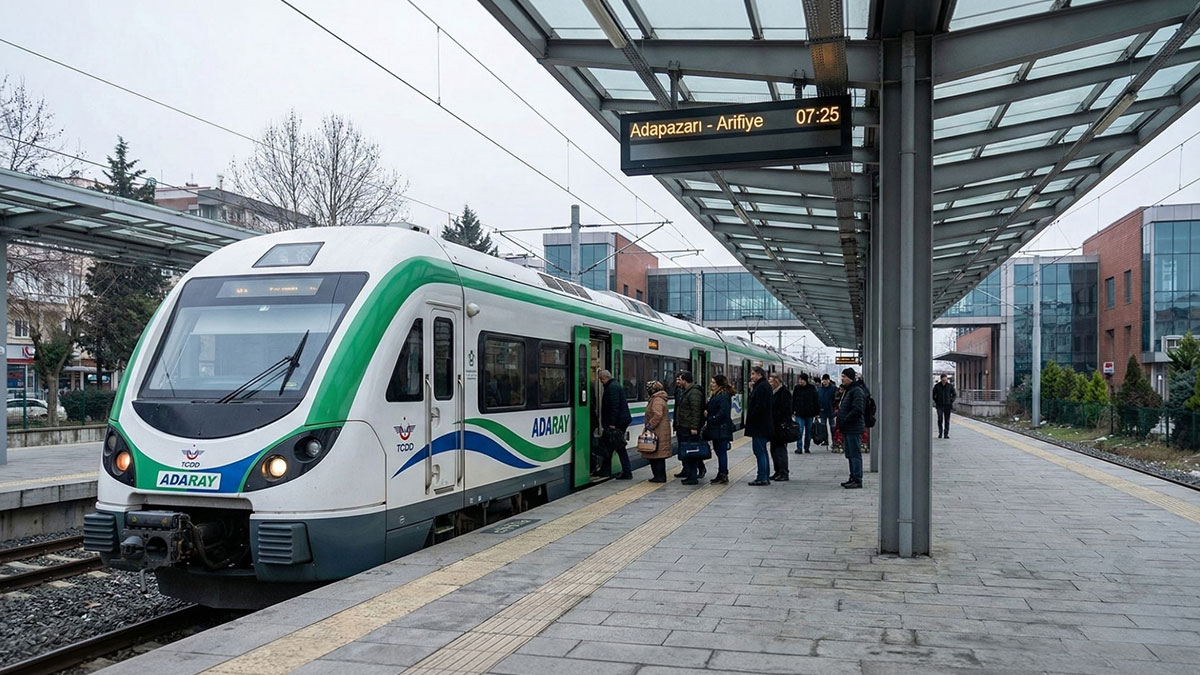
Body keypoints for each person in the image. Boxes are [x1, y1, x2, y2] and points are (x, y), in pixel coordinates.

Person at [596, 369, 633, 479]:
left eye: (601, 379)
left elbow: (614, 407)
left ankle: (627, 472)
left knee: (619, 447)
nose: (601, 381)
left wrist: (612, 423)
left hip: (617, 423)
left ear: (605, 378)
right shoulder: (614, 386)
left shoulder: (612, 388)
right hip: (620, 421)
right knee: (609, 446)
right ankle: (605, 471)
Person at [836, 368, 868, 489]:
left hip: (853, 428)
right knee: (850, 454)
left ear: (850, 378)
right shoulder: (849, 390)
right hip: (848, 428)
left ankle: (857, 479)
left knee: (855, 454)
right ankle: (852, 477)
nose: (842, 378)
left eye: (844, 376)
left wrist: (845, 420)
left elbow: (858, 409)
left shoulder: (856, 391)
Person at [673, 371, 706, 485]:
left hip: (688, 427)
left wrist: (694, 427)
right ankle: (688, 472)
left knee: (691, 451)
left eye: (679, 379)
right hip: (682, 426)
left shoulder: (694, 393)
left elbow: (696, 411)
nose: (677, 381)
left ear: (685, 380)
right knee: (686, 451)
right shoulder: (683, 391)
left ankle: (693, 475)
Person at [639, 381, 673, 483]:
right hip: (660, 430)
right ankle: (659, 476)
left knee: (657, 456)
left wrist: (650, 426)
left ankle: (659, 477)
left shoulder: (657, 400)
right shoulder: (659, 398)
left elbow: (657, 415)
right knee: (658, 456)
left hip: (658, 431)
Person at [745, 366, 774, 486]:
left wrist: (752, 417)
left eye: (753, 374)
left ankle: (762, 477)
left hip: (759, 426)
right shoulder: (764, 386)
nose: (751, 377)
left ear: (759, 375)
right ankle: (764, 476)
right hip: (763, 425)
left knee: (759, 451)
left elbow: (759, 406)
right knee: (762, 451)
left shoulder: (761, 387)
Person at [705, 374, 735, 484]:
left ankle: (723, 474)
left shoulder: (723, 396)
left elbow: (723, 412)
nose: (711, 385)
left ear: (719, 384)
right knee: (719, 451)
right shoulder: (717, 394)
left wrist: (711, 418)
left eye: (713, 383)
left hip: (721, 428)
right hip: (718, 428)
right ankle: (721, 473)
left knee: (721, 452)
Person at [768, 373, 793, 481]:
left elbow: (786, 410)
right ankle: (777, 471)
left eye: (771, 381)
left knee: (780, 450)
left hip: (781, 426)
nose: (770, 383)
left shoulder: (784, 393)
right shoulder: (774, 392)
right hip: (774, 426)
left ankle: (784, 472)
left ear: (777, 381)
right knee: (774, 449)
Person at [792, 373, 819, 455]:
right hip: (799, 414)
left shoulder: (812, 388)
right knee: (799, 431)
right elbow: (793, 400)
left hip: (809, 414)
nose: (800, 381)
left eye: (801, 379)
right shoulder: (796, 388)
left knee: (808, 432)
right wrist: (792, 411)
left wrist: (816, 413)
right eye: (799, 379)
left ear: (805, 380)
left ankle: (807, 447)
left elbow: (815, 401)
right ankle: (799, 448)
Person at [933, 374, 957, 439]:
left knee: (947, 420)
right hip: (939, 405)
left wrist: (951, 400)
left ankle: (946, 434)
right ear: (941, 379)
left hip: (948, 405)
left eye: (946, 379)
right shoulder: (937, 386)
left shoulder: (950, 386)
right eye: (943, 379)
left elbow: (954, 394)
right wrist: (936, 401)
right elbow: (933, 395)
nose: (945, 380)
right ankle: (940, 433)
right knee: (940, 419)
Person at [816, 374, 836, 447]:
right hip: (822, 411)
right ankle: (825, 440)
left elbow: (836, 399)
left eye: (826, 380)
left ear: (829, 380)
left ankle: (834, 441)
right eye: (823, 380)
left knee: (832, 427)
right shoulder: (819, 389)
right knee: (823, 427)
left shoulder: (833, 389)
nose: (824, 381)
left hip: (831, 410)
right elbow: (817, 400)